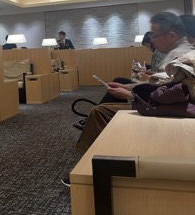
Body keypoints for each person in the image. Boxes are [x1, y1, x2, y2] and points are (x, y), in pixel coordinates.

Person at [61, 12, 194, 187]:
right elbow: (164, 85)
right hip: (164, 104)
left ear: (173, 35)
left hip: (167, 110)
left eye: (155, 35)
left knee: (100, 112)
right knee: (112, 96)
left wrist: (130, 94)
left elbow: (169, 94)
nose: (152, 40)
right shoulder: (179, 54)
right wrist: (131, 88)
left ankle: (88, 170)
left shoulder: (182, 56)